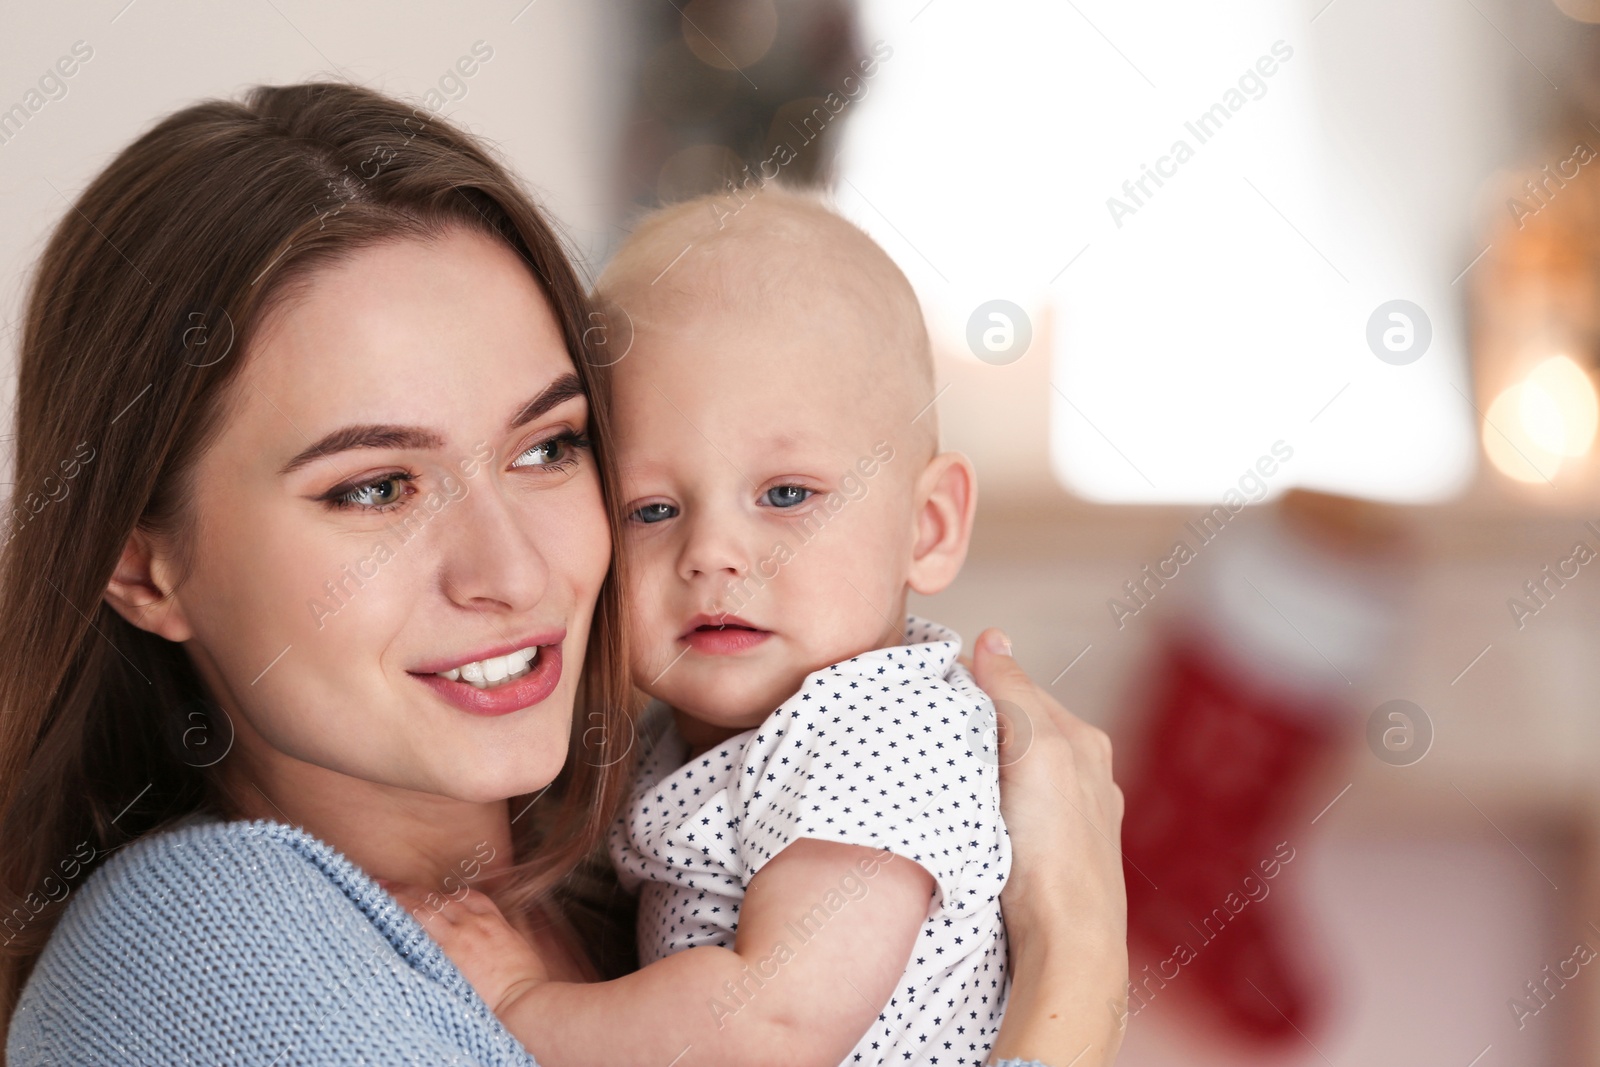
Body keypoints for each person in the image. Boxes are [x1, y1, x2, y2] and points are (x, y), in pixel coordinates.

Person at [0, 82, 1127, 1066]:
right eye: (374, 487)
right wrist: (1077, 979)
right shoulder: (202, 950)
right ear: (143, 566)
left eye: (546, 448)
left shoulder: (626, 871)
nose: (509, 567)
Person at [405, 189, 1012, 1067]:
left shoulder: (882, 730)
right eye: (652, 508)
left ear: (929, 526)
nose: (714, 553)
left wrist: (519, 1000)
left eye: (786, 496)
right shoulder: (679, 734)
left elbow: (769, 1026)